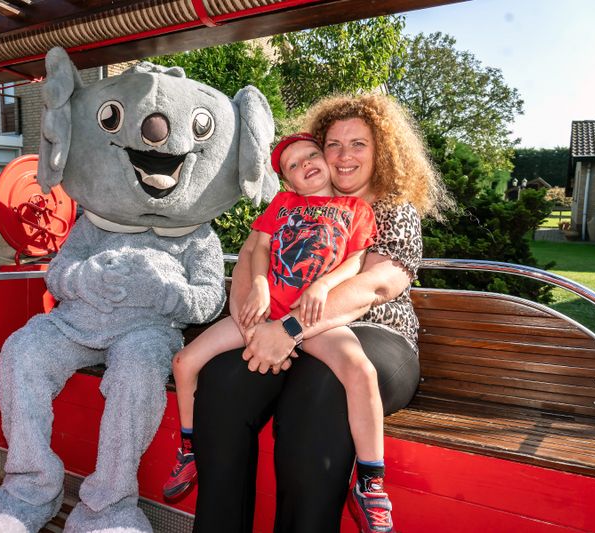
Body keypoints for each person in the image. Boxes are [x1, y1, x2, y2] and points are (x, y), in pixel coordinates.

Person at [192, 93, 454, 533]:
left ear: (382, 151)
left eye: (359, 144)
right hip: (289, 332)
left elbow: (373, 286)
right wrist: (249, 320)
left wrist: (288, 329)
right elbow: (255, 251)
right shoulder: (299, 204)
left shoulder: (392, 210)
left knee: (318, 392)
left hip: (375, 340)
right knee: (223, 381)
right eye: (334, 144)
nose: (344, 155)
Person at [162, 133, 379, 502]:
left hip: (310, 318)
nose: (306, 164)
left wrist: (323, 286)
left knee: (361, 370)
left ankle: (371, 480)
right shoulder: (283, 203)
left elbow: (356, 261)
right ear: (287, 181)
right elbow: (260, 245)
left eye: (312, 154)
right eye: (293, 165)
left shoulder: (356, 209)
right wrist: (260, 285)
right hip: (265, 313)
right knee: (184, 361)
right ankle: (190, 447)